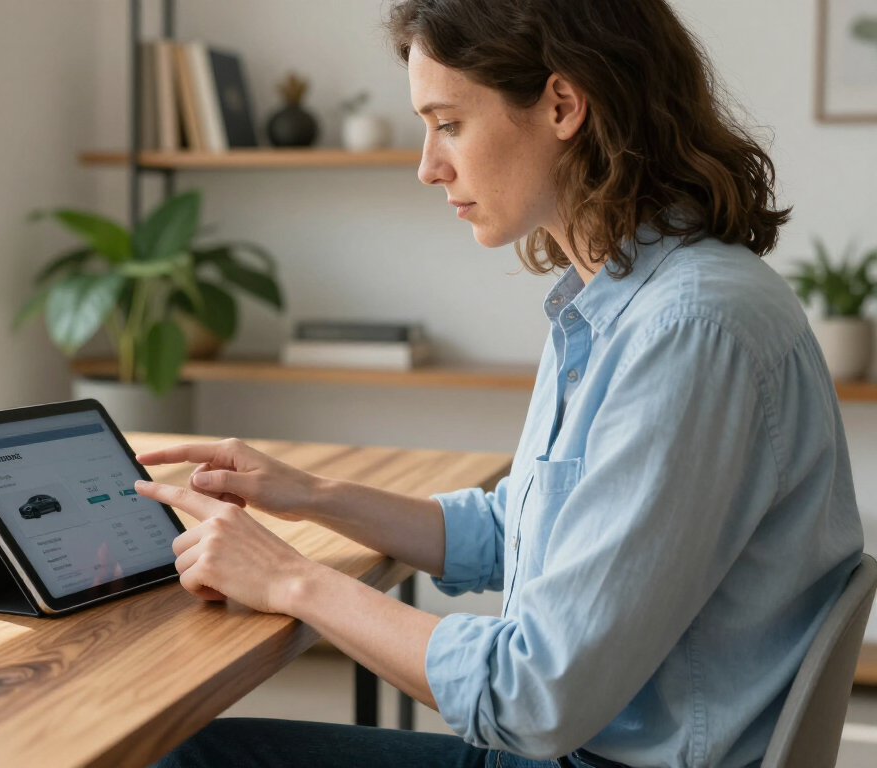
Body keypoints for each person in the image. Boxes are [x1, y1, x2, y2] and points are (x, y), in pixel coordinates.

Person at [137, 1, 866, 767]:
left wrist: (290, 578)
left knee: (183, 758)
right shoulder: (619, 300)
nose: (428, 165)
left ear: (561, 105)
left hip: (575, 754)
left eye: (448, 123)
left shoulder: (686, 332)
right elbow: (517, 532)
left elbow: (532, 697)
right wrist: (311, 495)